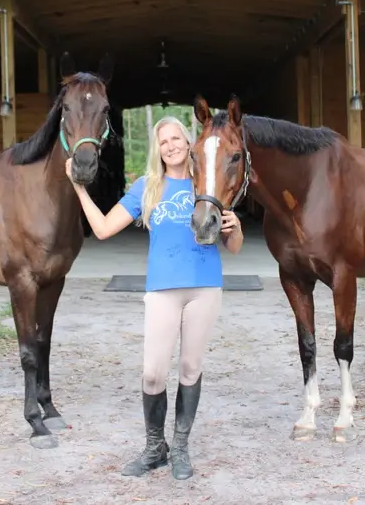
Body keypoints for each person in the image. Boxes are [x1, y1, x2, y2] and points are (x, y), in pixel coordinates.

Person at [65, 115, 244, 480]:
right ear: (157, 150)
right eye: (163, 141)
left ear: (188, 142)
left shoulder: (204, 182)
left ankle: (180, 448)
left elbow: (234, 247)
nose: (171, 145)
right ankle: (154, 448)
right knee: (152, 373)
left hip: (204, 287)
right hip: (162, 289)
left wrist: (236, 227)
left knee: (190, 369)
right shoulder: (147, 187)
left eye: (176, 138)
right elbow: (102, 229)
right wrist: (80, 190)